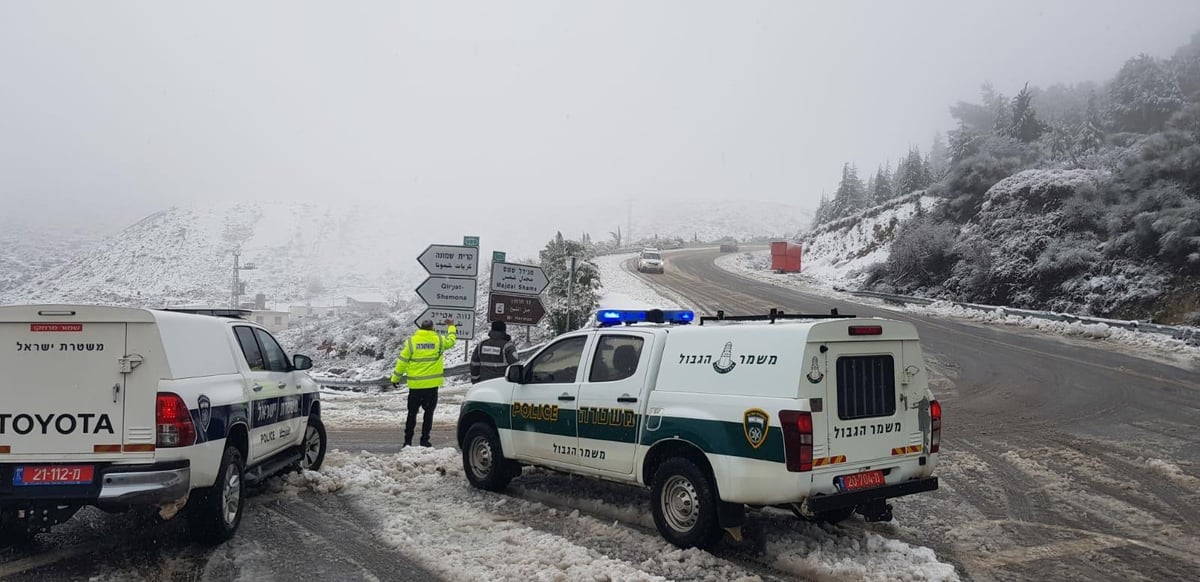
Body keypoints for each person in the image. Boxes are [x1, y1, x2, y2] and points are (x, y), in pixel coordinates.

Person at [390, 318, 456, 447]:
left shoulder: (411, 342)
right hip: (431, 386)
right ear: (432, 328)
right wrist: (452, 326)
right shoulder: (439, 340)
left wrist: (395, 378)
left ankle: (407, 441)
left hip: (415, 386)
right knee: (428, 414)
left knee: (412, 414)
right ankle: (424, 440)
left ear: (420, 328)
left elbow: (402, 361)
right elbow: (452, 341)